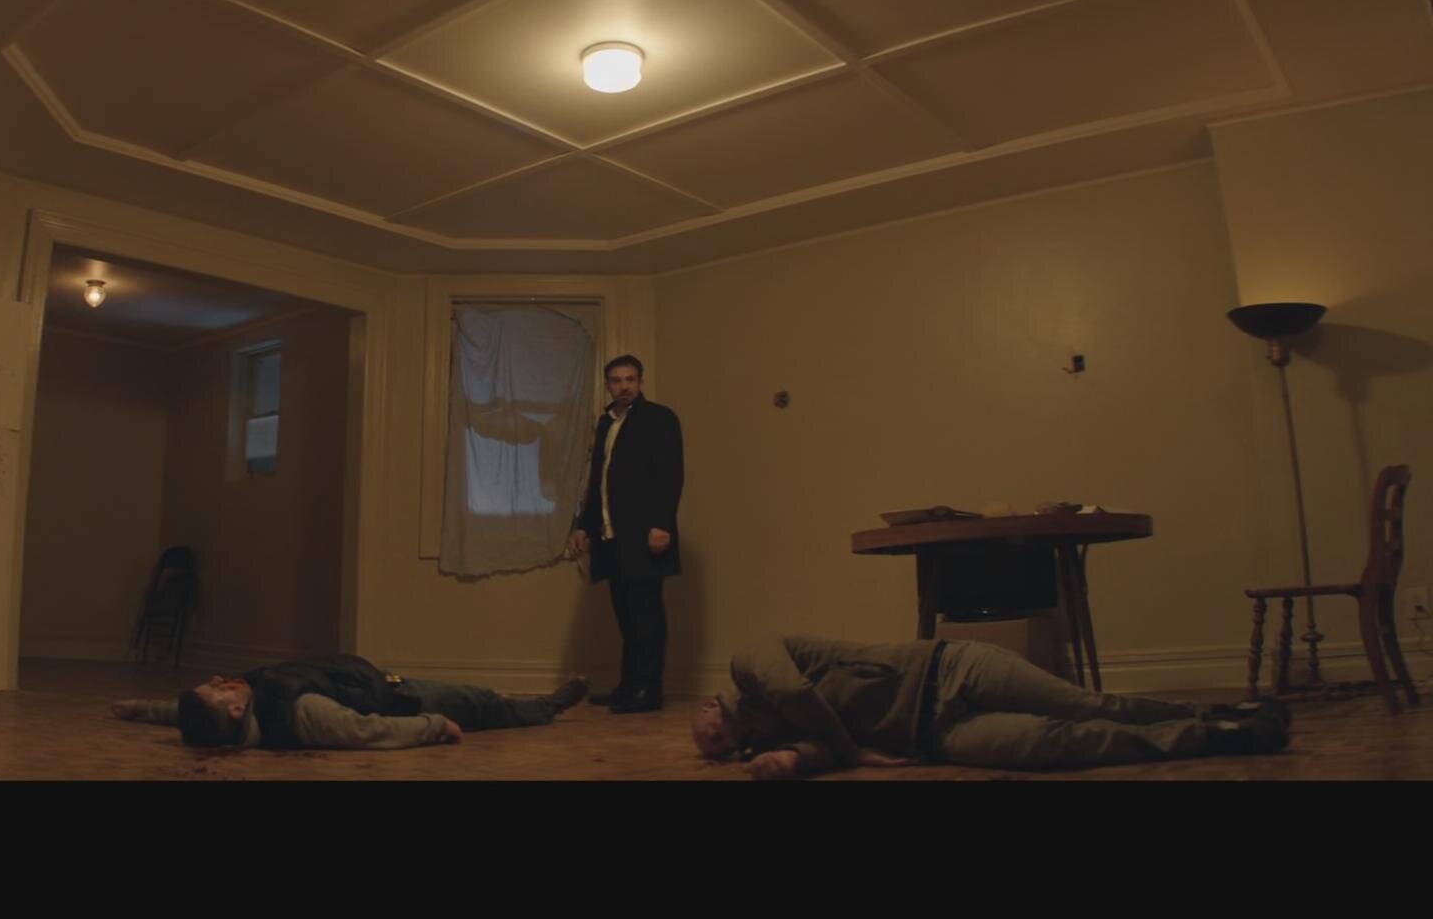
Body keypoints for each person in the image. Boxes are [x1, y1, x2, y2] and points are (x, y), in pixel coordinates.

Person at [693, 633, 1292, 779]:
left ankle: (1217, 711)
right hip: (937, 736)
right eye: (720, 752)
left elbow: (797, 694)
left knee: (1088, 704)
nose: (723, 744)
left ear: (707, 706)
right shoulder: (769, 738)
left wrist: (848, 753)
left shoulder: (749, 662)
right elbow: (820, 748)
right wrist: (789, 762)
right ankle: (1216, 735)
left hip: (954, 668)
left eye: (712, 736)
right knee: (1058, 744)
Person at [111, 653, 588, 750]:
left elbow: (184, 714)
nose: (220, 680)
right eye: (217, 688)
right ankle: (550, 706)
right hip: (402, 699)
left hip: (379, 681)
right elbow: (367, 731)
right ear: (235, 710)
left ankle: (538, 704)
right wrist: (435, 726)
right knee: (485, 704)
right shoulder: (301, 713)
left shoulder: (245, 701)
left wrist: (142, 708)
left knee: (486, 703)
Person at [567, 354, 684, 714]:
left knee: (646, 616)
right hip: (611, 536)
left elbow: (670, 473)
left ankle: (649, 689)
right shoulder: (606, 423)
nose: (624, 386)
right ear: (608, 385)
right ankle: (630, 686)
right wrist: (583, 526)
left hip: (644, 534)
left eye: (630, 379)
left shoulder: (659, 418)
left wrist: (662, 524)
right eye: (617, 380)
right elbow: (598, 482)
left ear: (641, 382)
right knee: (626, 615)